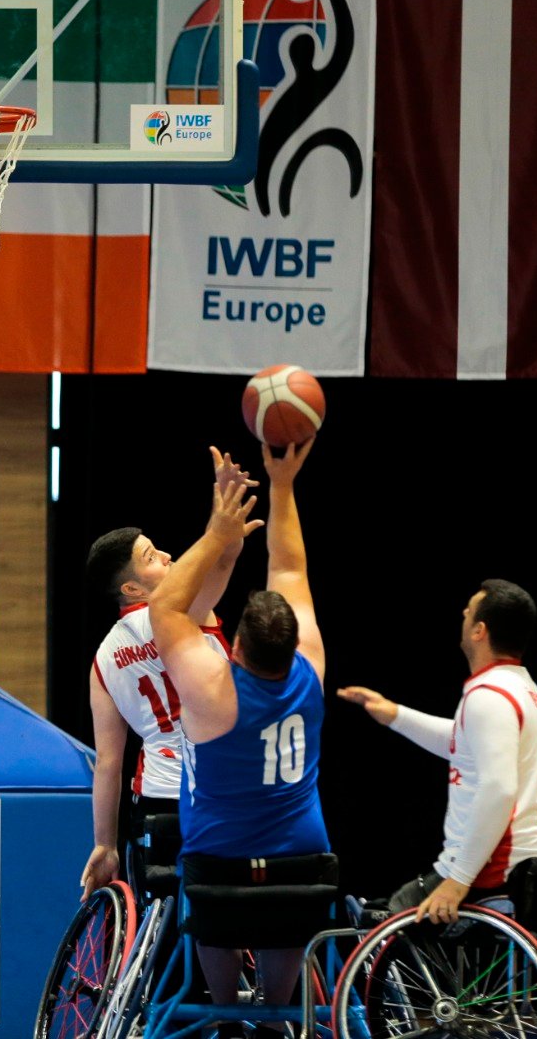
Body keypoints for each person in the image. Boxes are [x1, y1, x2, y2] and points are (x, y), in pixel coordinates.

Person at [150, 440, 330, 1027]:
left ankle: (227, 1014)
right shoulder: (312, 667)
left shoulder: (213, 689)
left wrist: (219, 529)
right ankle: (277, 1018)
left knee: (215, 932)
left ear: (233, 646)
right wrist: (283, 484)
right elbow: (291, 568)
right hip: (305, 866)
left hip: (218, 871)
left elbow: (167, 609)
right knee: (283, 957)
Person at [339, 580, 537, 936]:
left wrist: (458, 880)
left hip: (501, 867)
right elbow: (464, 743)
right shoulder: (521, 688)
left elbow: (499, 789)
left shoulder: (489, 696)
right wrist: (393, 714)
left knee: (379, 923)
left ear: (480, 630)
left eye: (469, 610)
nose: (462, 613)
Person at [80, 448, 254, 900]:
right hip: (220, 786)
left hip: (156, 798)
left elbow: (109, 763)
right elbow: (218, 567)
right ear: (132, 588)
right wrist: (225, 520)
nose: (168, 555)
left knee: (166, 925)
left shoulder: (103, 659)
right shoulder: (182, 613)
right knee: (228, 919)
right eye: (152, 556)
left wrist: (104, 843)